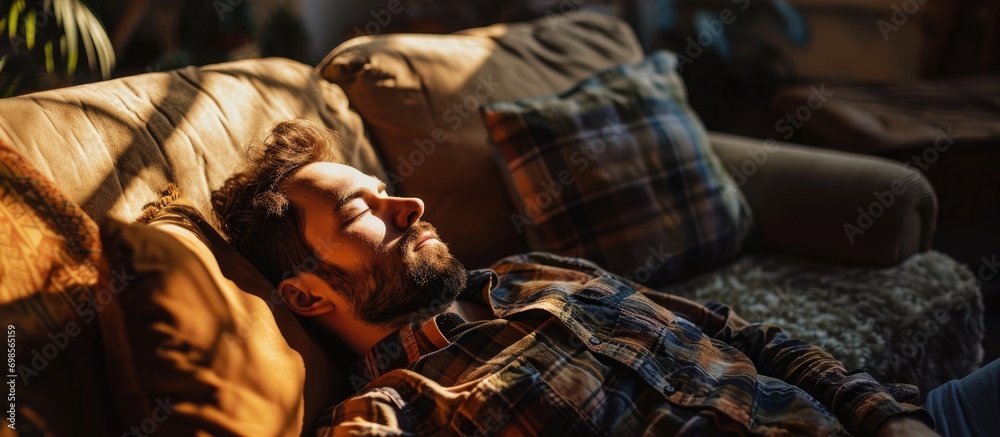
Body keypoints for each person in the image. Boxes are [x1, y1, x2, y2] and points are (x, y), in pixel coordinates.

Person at [212, 119, 982, 436]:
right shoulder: (404, 406)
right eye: (362, 211)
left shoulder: (529, 272)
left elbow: (740, 332)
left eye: (387, 187)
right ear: (308, 293)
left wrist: (887, 416)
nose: (409, 203)